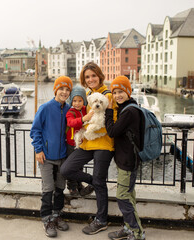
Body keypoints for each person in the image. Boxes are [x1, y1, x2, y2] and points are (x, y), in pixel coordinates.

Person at [60, 62, 115, 235]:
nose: (90, 79)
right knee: (66, 169)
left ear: (99, 75)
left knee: (99, 180)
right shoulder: (89, 94)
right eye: (87, 77)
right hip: (87, 142)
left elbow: (110, 122)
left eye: (93, 76)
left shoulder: (108, 95)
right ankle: (94, 181)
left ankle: (102, 219)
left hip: (104, 144)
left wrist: (87, 125)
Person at [30, 76, 73, 238]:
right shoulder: (45, 108)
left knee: (60, 188)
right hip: (46, 156)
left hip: (63, 156)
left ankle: (56, 215)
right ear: (55, 90)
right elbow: (35, 130)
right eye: (61, 89)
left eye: (67, 89)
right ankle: (46, 218)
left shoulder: (69, 109)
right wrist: (38, 149)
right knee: (48, 188)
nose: (64, 92)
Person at [105, 76, 146, 240]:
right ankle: (129, 228)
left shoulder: (129, 111)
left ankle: (137, 233)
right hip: (128, 160)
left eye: (120, 91)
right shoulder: (130, 107)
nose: (117, 96)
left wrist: (108, 111)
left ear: (128, 92)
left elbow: (112, 131)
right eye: (114, 92)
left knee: (123, 197)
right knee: (129, 196)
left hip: (128, 162)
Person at [65, 85, 94, 196]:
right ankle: (72, 187)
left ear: (84, 101)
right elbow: (71, 123)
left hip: (81, 144)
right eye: (75, 101)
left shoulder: (84, 110)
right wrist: (83, 119)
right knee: (72, 167)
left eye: (80, 100)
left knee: (79, 167)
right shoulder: (70, 112)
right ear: (71, 101)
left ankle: (79, 184)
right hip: (71, 144)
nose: (77, 103)